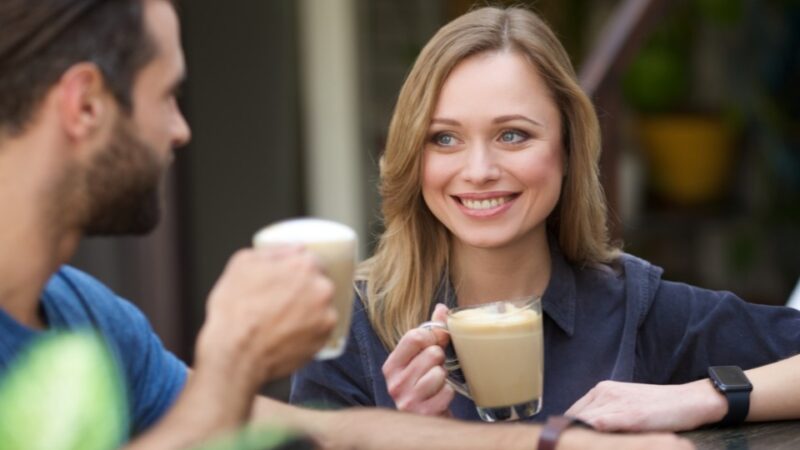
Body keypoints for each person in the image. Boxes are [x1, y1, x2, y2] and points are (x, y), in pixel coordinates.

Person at [0, 0, 695, 448]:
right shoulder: (367, 318)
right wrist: (228, 370)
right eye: (167, 96)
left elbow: (333, 437)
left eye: (513, 135)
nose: (182, 131)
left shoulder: (92, 319)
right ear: (85, 104)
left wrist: (564, 444)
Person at [290, 4, 800, 432]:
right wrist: (415, 439)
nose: (479, 170)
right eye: (444, 138)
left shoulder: (635, 312)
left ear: (569, 148)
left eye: (513, 134)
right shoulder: (349, 334)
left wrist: (704, 396)